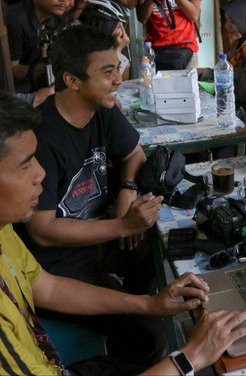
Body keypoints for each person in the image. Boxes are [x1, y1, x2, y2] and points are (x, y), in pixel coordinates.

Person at [0, 91, 246, 375]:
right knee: (154, 340)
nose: (41, 174)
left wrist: (147, 304)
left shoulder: (4, 231)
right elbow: (44, 236)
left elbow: (47, 287)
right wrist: (190, 357)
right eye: (25, 166)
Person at [18, 25, 167, 368]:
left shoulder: (103, 109)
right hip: (61, 266)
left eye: (117, 68)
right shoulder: (44, 138)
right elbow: (43, 229)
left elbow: (134, 153)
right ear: (72, 81)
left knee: (161, 251)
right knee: (149, 334)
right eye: (108, 71)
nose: (118, 79)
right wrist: (120, 227)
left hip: (99, 242)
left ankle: (126, 308)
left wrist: (127, 192)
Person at [5, 0, 90, 93]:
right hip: (18, 94)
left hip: (43, 84)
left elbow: (70, 23)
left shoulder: (55, 15)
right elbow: (12, 72)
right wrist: (42, 65)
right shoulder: (14, 20)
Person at [198, 0, 246, 108]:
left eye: (233, 21)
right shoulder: (238, 42)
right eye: (226, 20)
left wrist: (220, 91)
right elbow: (230, 72)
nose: (227, 26)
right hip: (235, 103)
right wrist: (203, 72)